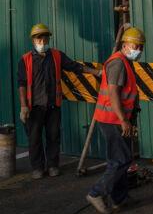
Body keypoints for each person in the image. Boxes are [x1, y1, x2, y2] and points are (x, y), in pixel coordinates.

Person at [17, 23, 101, 179]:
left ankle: (53, 166)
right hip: (33, 107)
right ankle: (37, 168)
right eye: (38, 38)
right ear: (33, 40)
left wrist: (96, 72)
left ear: (48, 38)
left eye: (44, 37)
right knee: (34, 139)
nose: (42, 41)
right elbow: (21, 84)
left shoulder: (57, 56)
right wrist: (23, 106)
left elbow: (75, 67)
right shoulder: (25, 60)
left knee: (53, 137)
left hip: (52, 106)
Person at [86, 27, 145, 214]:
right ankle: (96, 193)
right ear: (125, 44)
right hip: (112, 119)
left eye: (141, 46)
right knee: (121, 159)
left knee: (121, 158)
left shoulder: (125, 62)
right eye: (136, 46)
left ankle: (120, 198)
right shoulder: (118, 63)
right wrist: (122, 120)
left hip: (118, 118)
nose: (139, 50)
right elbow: (113, 93)